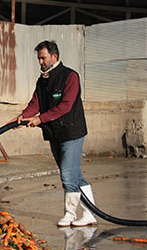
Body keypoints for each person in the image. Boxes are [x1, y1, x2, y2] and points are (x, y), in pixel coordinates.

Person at [10, 40, 95, 227]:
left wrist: (40, 119)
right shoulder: (42, 81)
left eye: (43, 58)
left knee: (67, 174)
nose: (40, 62)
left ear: (54, 57)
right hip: (55, 133)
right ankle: (90, 214)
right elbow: (36, 104)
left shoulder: (70, 77)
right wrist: (22, 117)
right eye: (39, 58)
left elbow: (65, 106)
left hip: (72, 131)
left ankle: (70, 214)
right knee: (74, 174)